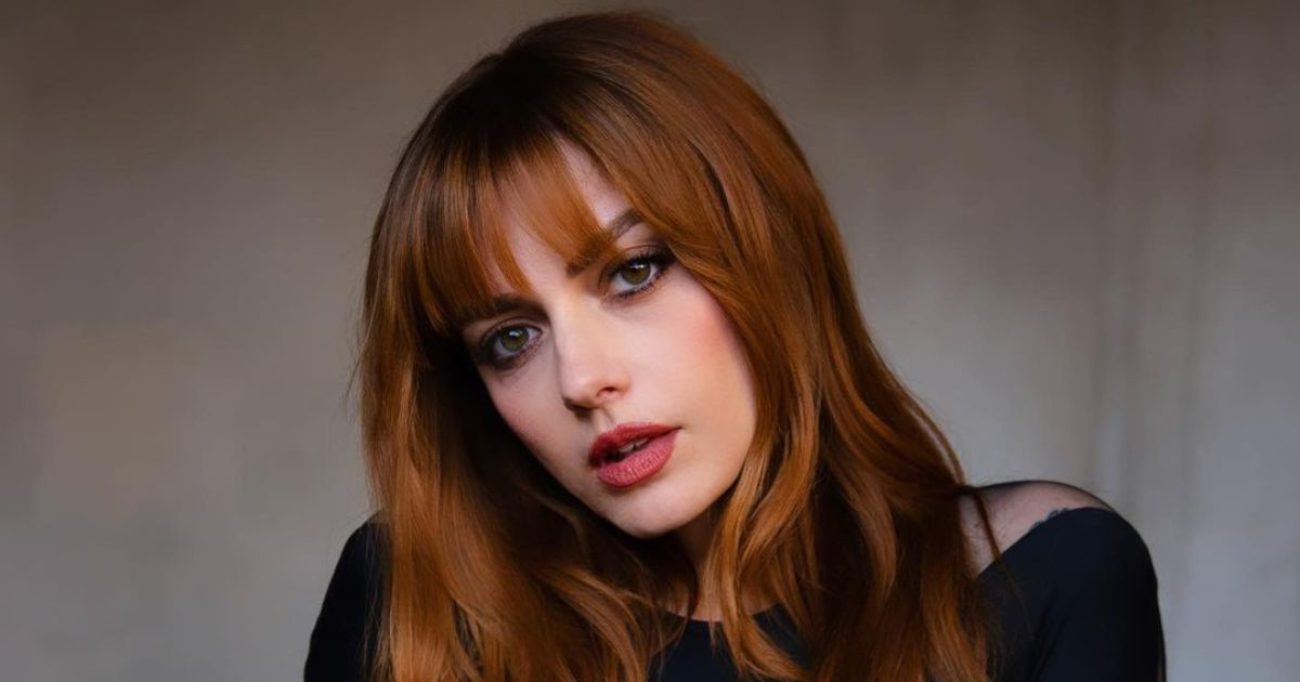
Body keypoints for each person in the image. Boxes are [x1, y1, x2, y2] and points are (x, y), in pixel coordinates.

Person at [305, 10, 1165, 682]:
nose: (583, 378)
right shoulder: (413, 599)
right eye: (511, 338)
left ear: (767, 249)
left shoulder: (1044, 579)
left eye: (633, 272)